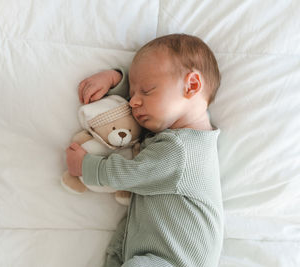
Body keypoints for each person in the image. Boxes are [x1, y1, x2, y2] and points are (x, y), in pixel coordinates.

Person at [66, 34, 223, 267]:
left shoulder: (182, 150)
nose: (132, 102)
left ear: (191, 86)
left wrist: (88, 167)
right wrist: (116, 79)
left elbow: (133, 173)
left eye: (146, 91)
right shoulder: (174, 136)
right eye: (130, 95)